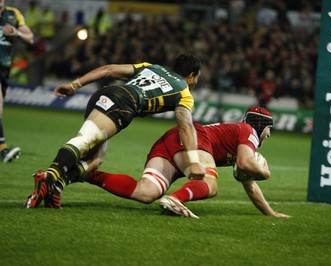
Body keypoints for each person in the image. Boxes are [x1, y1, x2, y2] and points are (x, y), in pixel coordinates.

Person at [26, 106, 290, 219]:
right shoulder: (249, 132)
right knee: (210, 183)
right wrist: (264, 171)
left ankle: (81, 174)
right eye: (269, 129)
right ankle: (175, 199)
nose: (269, 135)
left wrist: (270, 213)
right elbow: (245, 165)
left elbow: (248, 182)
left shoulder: (241, 135)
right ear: (261, 125)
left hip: (171, 141)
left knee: (146, 192)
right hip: (192, 139)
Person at [25, 53, 205, 208]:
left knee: (95, 160)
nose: (195, 82)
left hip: (107, 93)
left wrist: (74, 86)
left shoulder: (152, 67)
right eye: (197, 78)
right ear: (191, 76)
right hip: (123, 104)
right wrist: (194, 161)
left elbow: (108, 70)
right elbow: (186, 126)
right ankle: (49, 176)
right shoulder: (184, 94)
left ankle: (56, 187)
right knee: (86, 139)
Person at [0, 0, 34, 162]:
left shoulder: (13, 14)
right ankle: (3, 149)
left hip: (4, 67)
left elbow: (30, 38)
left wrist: (16, 33)